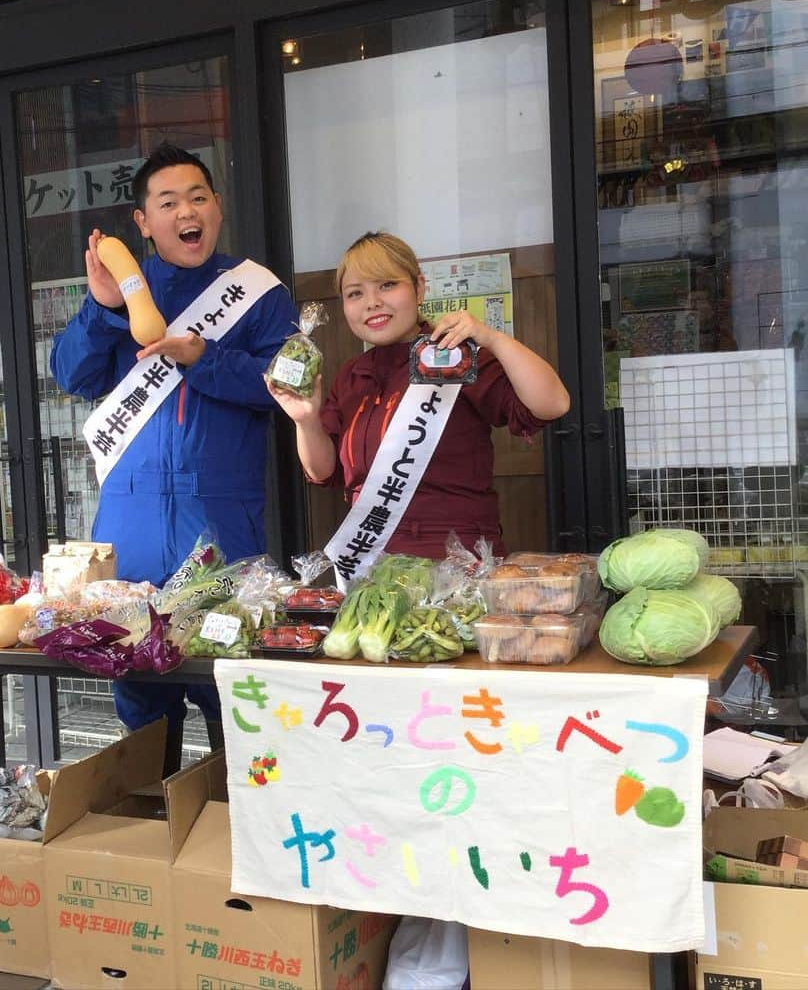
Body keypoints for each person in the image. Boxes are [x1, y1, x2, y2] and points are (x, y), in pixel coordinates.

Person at [50, 143, 297, 732]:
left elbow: (286, 385)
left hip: (219, 517)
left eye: (198, 198)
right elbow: (72, 376)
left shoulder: (259, 292)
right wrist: (100, 306)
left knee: (229, 693)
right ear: (144, 222)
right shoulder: (125, 291)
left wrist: (203, 358)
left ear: (216, 207)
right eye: (168, 202)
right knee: (139, 697)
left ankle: (230, 821)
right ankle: (151, 818)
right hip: (127, 520)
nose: (187, 212)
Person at [267, 231, 570, 558]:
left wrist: (492, 339)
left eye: (387, 285)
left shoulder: (455, 356)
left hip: (457, 564)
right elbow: (323, 472)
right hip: (373, 567)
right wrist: (306, 421)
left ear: (419, 287)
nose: (372, 302)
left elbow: (552, 404)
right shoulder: (350, 376)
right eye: (355, 293)